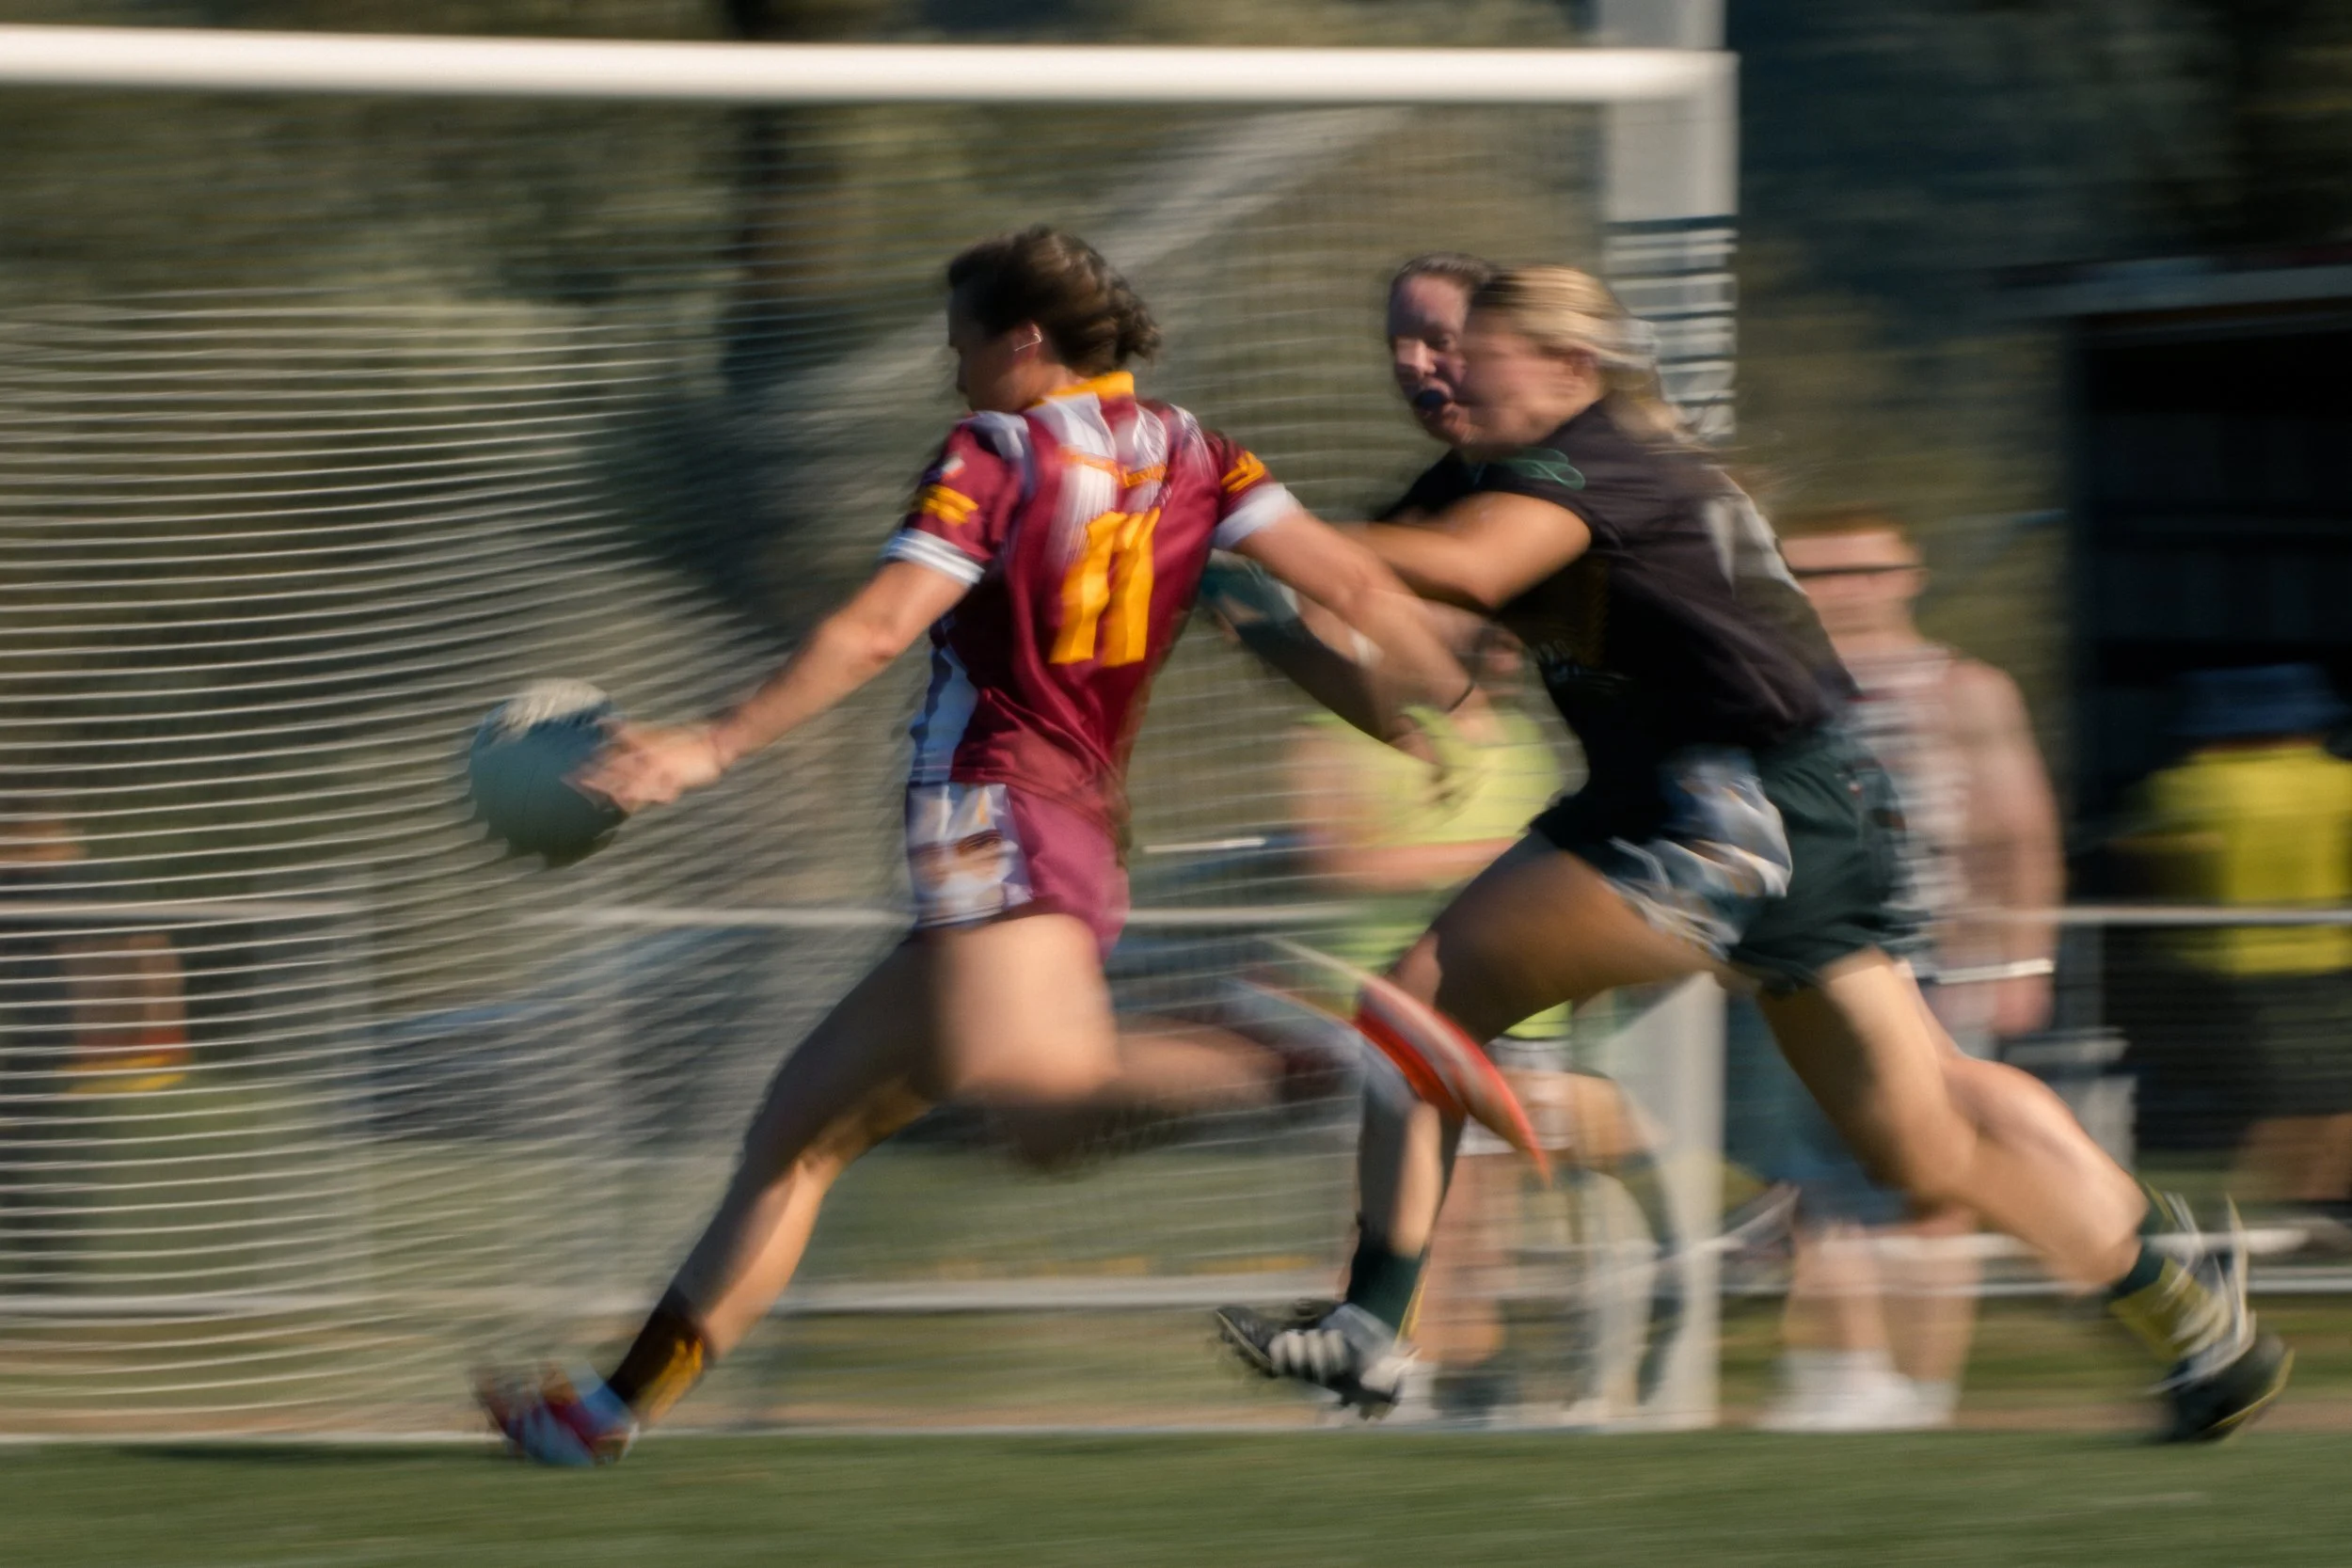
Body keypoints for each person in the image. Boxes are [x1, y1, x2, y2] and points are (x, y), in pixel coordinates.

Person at [1215, 264, 2289, 1442]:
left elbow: (1468, 570)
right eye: (1401, 348)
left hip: (1733, 806)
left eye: (1450, 341)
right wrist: (1224, 595)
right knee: (1923, 1138)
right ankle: (2189, 1316)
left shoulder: (1594, 457)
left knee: (1424, 995)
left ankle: (1375, 1327)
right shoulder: (1466, 487)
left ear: (1566, 361)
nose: (1423, 366)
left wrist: (1241, 516)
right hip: (1765, 805)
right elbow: (1410, 682)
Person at [473, 226, 1476, 1465]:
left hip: (990, 809)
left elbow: (880, 624)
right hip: (1070, 829)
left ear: (1025, 340)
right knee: (800, 1130)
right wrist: (1439, 704)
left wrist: (710, 743)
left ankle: (1325, 1050)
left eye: (961, 343)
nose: (952, 371)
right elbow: (1360, 590)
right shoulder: (1197, 448)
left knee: (1041, 1113)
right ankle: (606, 1412)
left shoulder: (995, 450)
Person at [1729, 506, 2063, 1432]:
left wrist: (2022, 958)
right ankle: (1850, 1376)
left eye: (1859, 569)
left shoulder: (1966, 689)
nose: (1839, 590)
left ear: (1905, 574)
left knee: (1933, 1180)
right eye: (1814, 572)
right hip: (1802, 960)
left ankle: (1920, 1392)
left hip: (1935, 969)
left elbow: (2019, 830)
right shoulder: (1767, 684)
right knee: (1813, 1179)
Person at [2121, 665, 2352, 1227]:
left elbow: (2148, 870)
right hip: (2322, 970)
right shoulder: (2339, 783)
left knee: (2292, 1109)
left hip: (2211, 975)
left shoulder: (2178, 788)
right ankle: (2247, 1226)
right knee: (2309, 1111)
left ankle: (2279, 1225)